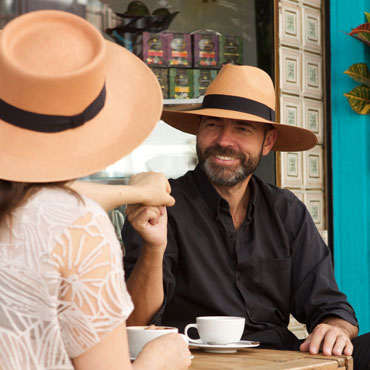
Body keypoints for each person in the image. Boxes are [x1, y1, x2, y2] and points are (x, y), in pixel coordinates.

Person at [121, 64, 370, 369]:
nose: (224, 140)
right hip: (198, 363)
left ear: (267, 142)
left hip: (281, 359)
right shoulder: (161, 204)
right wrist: (153, 246)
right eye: (213, 124)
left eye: (242, 128)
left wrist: (334, 329)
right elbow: (135, 321)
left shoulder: (286, 210)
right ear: (199, 132)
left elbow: (330, 305)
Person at [0, 10, 191, 370]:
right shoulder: (78, 225)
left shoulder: (49, 212)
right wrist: (159, 360)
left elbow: (43, 204)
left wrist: (132, 194)